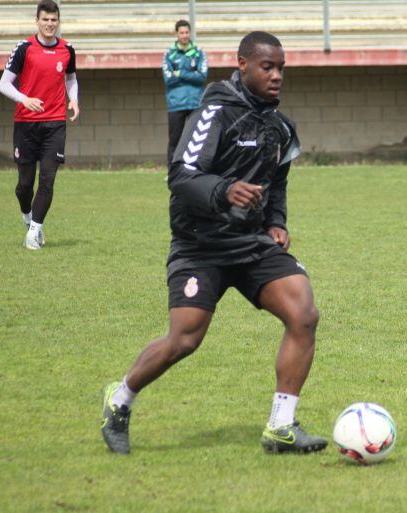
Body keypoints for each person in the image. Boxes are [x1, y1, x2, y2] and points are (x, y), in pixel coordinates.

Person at [101, 31, 326, 455]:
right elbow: (180, 176)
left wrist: (276, 222)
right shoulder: (215, 111)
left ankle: (281, 427)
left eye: (281, 68)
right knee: (184, 340)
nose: (277, 76)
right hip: (200, 244)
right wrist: (225, 190)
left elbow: (277, 182)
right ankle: (120, 399)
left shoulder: (279, 126)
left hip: (251, 243)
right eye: (267, 67)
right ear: (242, 65)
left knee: (304, 313)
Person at [0, 0, 79, 250]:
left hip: (55, 124)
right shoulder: (24, 48)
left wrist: (74, 99)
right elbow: (4, 84)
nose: (50, 24)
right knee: (24, 185)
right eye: (45, 19)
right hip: (25, 125)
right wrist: (25, 99)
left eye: (54, 19)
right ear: (37, 21)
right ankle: (27, 218)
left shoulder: (67, 49)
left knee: (47, 180)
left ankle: (34, 232)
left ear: (58, 21)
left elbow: (71, 79)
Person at [163, 19, 208, 168]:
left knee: (197, 138)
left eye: (187, 32)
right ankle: (172, 171)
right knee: (175, 139)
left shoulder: (199, 52)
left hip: (195, 102)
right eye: (181, 32)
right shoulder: (169, 54)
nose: (184, 35)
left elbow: (201, 77)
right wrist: (190, 74)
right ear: (176, 34)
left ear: (190, 33)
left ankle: (196, 169)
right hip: (175, 103)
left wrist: (180, 73)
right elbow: (168, 79)